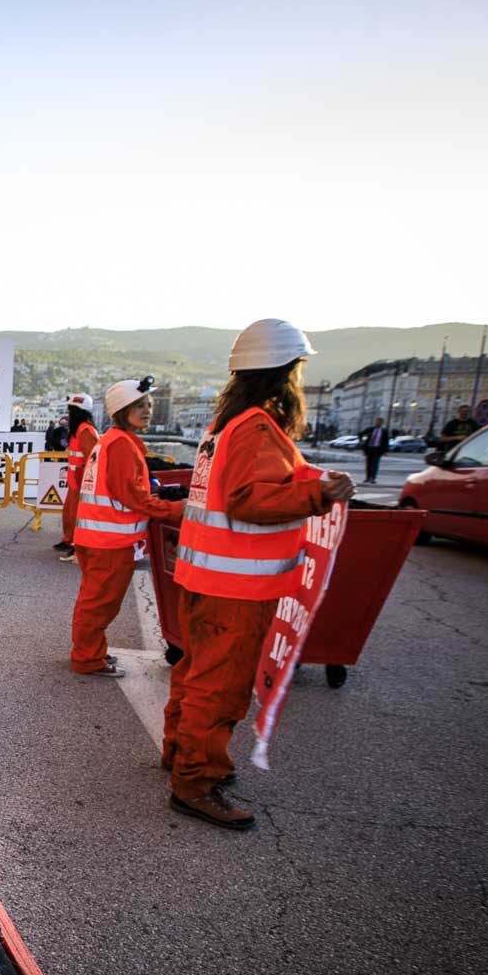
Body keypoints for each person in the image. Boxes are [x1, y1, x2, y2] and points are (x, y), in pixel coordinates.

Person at [162, 319, 355, 830]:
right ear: (285, 373)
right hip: (236, 588)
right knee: (219, 688)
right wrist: (320, 494)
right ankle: (195, 783)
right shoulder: (254, 428)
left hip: (206, 578)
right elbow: (250, 499)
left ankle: (179, 755)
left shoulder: (222, 428)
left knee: (193, 674)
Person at [69, 379, 181, 678]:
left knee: (95, 601)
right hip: (110, 541)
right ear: (122, 410)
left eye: (149, 405)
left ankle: (90, 650)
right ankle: (88, 658)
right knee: (100, 604)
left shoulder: (113, 441)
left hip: (99, 538)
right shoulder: (120, 445)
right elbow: (132, 496)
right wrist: (174, 509)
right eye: (140, 406)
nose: (147, 411)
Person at [55, 394, 100, 559]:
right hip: (75, 482)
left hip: (81, 482)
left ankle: (76, 545)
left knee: (77, 515)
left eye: (71, 411)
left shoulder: (85, 431)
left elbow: (93, 459)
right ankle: (69, 540)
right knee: (69, 513)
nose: (68, 414)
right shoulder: (78, 431)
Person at [358, 415, 389, 483]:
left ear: (382, 423)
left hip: (378, 449)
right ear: (375, 422)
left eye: (380, 422)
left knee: (375, 464)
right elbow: (360, 434)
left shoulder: (384, 431)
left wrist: (385, 450)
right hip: (369, 449)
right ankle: (368, 477)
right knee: (368, 464)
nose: (379, 423)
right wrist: (362, 442)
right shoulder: (370, 429)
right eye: (378, 421)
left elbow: (386, 441)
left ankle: (373, 478)